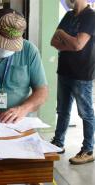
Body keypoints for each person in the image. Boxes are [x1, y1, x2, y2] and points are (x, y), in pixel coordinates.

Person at [50, 0, 95, 165]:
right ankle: (58, 142)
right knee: (62, 110)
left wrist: (62, 34)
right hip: (64, 71)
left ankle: (88, 149)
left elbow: (78, 44)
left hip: (82, 74)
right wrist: (69, 42)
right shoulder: (69, 15)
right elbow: (53, 42)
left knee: (86, 113)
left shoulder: (91, 16)